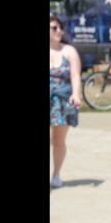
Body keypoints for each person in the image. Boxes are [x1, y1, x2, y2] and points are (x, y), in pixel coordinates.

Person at [50, 14, 82, 189]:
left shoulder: (69, 51)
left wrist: (76, 94)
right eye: (54, 28)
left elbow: (75, 75)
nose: (59, 31)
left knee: (58, 140)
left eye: (60, 27)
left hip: (62, 99)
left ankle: (56, 174)